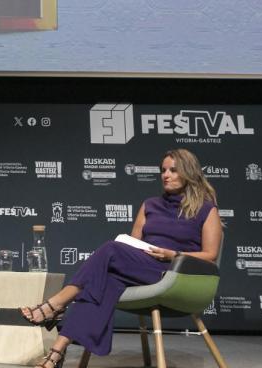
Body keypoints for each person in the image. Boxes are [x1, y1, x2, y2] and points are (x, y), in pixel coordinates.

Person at [20, 148, 222, 368]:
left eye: (173, 170)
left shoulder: (206, 209)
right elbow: (132, 244)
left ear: (188, 172)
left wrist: (173, 255)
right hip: (141, 267)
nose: (165, 175)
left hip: (175, 272)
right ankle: (57, 351)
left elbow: (210, 256)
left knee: (110, 250)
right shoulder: (150, 205)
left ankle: (55, 305)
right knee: (104, 282)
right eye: (163, 170)